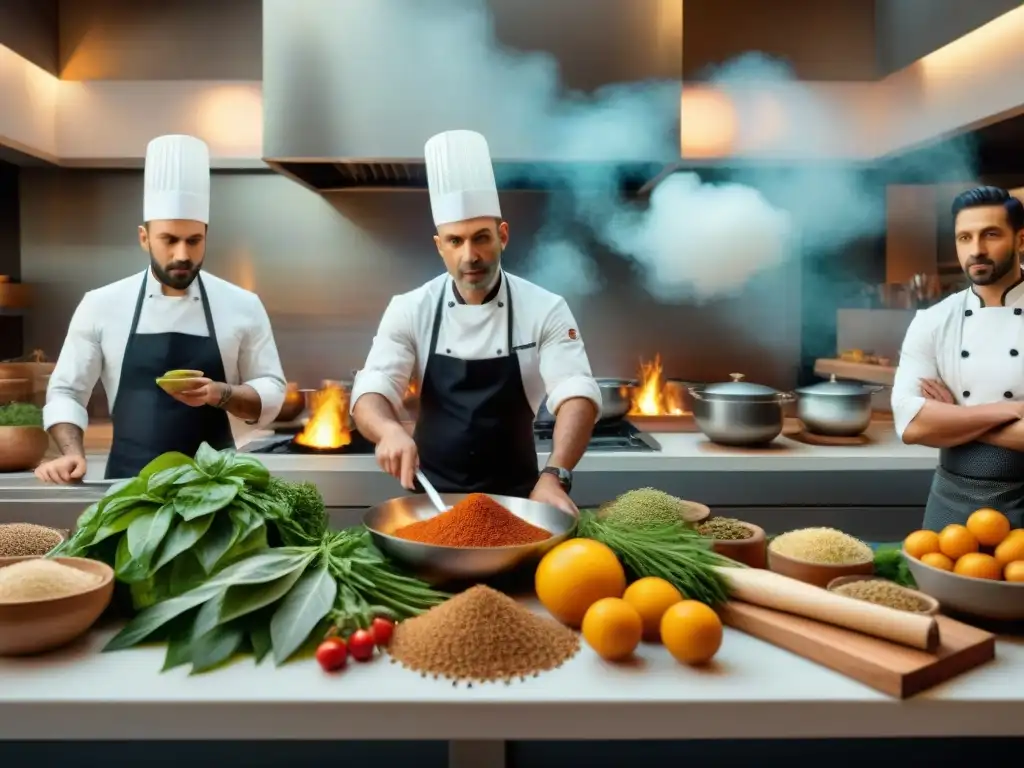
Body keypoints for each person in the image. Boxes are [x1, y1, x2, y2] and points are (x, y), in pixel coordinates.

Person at [351, 129, 601, 515]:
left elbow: (576, 392)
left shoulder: (544, 308)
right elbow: (373, 388)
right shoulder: (411, 307)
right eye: (455, 241)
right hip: (432, 503)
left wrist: (555, 475)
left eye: (481, 238)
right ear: (440, 246)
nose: (470, 255)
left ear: (503, 236)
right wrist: (388, 431)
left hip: (521, 500)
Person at [35, 134, 287, 483]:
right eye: (169, 239)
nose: (182, 254)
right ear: (144, 238)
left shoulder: (242, 305)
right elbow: (66, 390)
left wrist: (220, 393)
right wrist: (71, 453)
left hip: (221, 492)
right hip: (127, 488)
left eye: (194, 240)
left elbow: (272, 387)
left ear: (206, 237)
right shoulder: (101, 304)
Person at [892, 186, 1024, 530]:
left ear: (1021, 240)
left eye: (990, 235)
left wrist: (954, 417)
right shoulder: (933, 320)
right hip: (950, 501)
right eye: (964, 237)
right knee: (933, 581)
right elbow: (910, 423)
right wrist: (1010, 411)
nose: (976, 250)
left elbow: (928, 422)